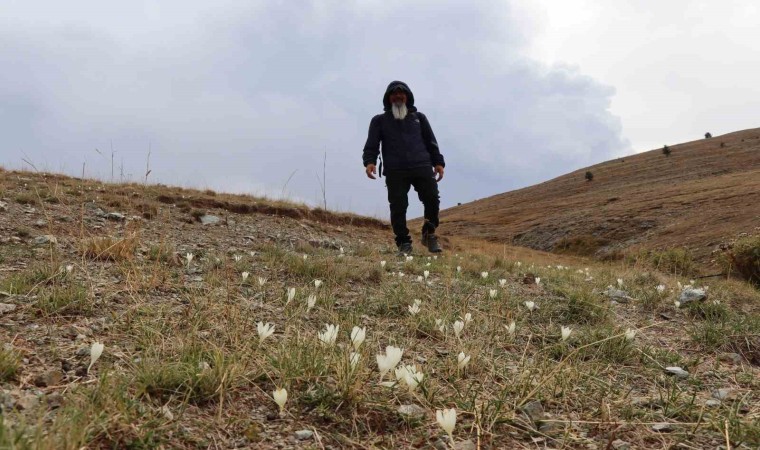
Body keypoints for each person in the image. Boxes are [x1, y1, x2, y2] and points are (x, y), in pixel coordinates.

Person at [362, 80, 445, 255]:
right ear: (388, 98)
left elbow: (431, 142)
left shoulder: (419, 118)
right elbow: (372, 144)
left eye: (401, 93)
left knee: (432, 199)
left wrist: (438, 162)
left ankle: (429, 233)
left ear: (407, 97)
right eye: (394, 94)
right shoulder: (379, 121)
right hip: (395, 170)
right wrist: (370, 162)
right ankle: (403, 243)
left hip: (422, 166)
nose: (398, 96)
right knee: (398, 207)